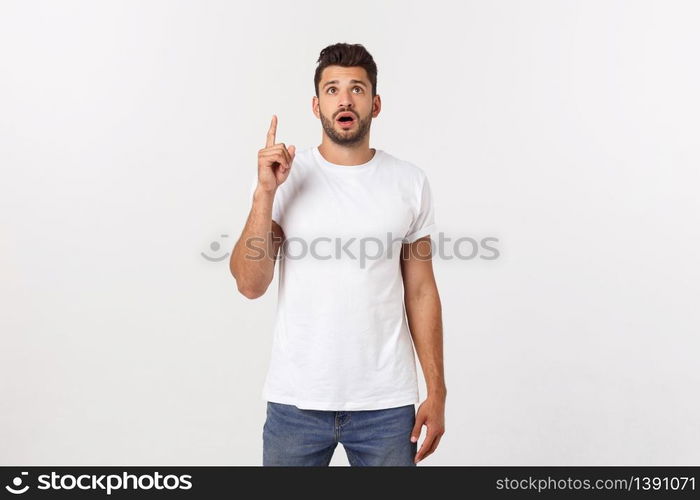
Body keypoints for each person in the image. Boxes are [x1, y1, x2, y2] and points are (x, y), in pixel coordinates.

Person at [230, 42, 445, 466]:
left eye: (356, 89)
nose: (344, 99)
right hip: (296, 402)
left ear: (375, 103)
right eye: (332, 90)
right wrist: (265, 195)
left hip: (386, 404)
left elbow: (421, 291)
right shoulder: (286, 178)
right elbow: (249, 284)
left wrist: (437, 391)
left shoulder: (409, 183)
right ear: (316, 105)